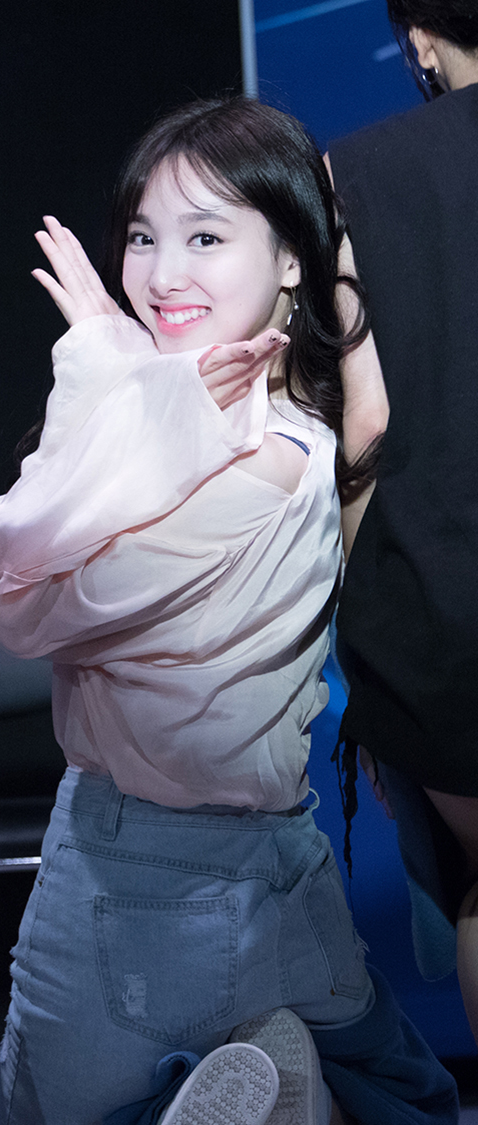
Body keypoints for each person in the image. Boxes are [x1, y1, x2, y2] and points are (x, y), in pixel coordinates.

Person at [0, 98, 456, 1125]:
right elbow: (362, 404)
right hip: (283, 861)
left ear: (291, 259)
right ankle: (281, 1073)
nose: (160, 274)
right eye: (143, 237)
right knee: (399, 1095)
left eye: (204, 237)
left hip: (133, 873)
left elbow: (11, 599)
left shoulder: (230, 453)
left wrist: (100, 373)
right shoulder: (312, 425)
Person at [327, 0, 478, 1045]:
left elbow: (363, 421)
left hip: (439, 601)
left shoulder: (350, 175)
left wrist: (362, 632)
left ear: (420, 38)